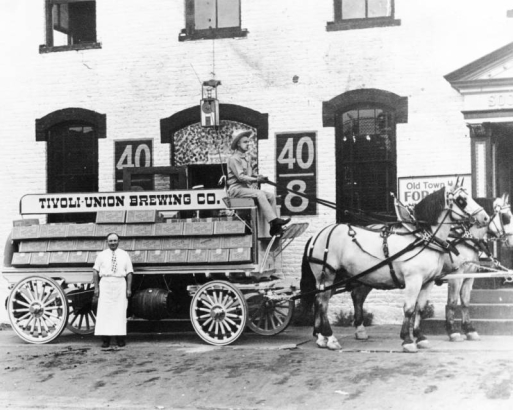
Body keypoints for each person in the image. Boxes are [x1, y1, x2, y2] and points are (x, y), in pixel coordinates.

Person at [227, 129, 291, 236]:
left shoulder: (247, 158)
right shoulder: (234, 159)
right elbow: (241, 177)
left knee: (270, 196)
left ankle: (274, 226)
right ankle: (274, 221)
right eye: (245, 142)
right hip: (236, 189)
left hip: (245, 188)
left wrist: (259, 177)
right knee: (259, 193)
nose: (248, 144)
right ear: (238, 144)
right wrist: (256, 180)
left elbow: (250, 175)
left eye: (248, 142)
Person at [93, 233, 133, 348]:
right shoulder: (101, 255)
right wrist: (96, 288)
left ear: (118, 241)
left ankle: (120, 338)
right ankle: (105, 340)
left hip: (120, 284)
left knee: (119, 312)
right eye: (110, 241)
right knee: (105, 312)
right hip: (105, 284)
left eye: (115, 240)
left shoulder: (124, 254)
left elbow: (129, 272)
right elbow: (95, 271)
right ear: (107, 242)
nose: (113, 243)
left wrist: (128, 288)